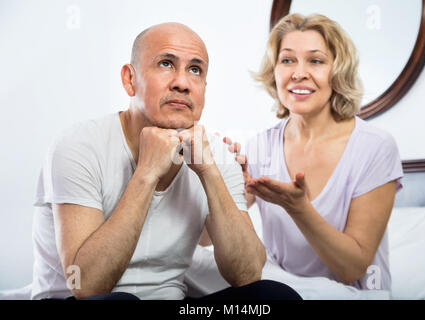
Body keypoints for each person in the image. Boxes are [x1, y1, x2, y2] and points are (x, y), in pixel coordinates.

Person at [30, 22, 301, 300]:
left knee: (274, 296)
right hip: (82, 299)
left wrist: (209, 172)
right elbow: (86, 285)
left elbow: (247, 275)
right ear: (129, 79)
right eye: (166, 64)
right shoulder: (79, 145)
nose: (182, 83)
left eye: (195, 70)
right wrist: (147, 174)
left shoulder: (215, 154)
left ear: (204, 89)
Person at [223, 13, 404, 292]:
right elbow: (203, 241)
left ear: (338, 71)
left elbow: (352, 268)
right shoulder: (260, 146)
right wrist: (215, 177)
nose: (298, 72)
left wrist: (299, 209)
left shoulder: (375, 147)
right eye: (287, 60)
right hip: (281, 292)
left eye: (316, 61)